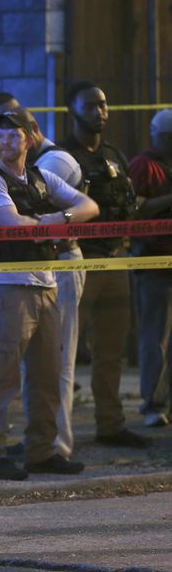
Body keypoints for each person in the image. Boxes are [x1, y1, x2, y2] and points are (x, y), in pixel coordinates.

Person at [0, 111, 98, 480]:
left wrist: (59, 221)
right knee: (2, 374)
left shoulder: (43, 178)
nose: (6, 141)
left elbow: (90, 207)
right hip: (10, 287)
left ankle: (41, 450)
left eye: (14, 135)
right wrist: (54, 224)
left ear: (30, 139)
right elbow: (12, 225)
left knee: (46, 375)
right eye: (1, 135)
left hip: (48, 284)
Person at [58, 81, 151, 449]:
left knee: (111, 350)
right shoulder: (61, 157)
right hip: (79, 260)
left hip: (114, 260)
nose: (101, 112)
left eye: (104, 105)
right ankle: (54, 430)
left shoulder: (114, 155)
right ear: (73, 111)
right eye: (91, 106)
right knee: (62, 352)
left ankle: (110, 424)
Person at [20, 107, 86, 460]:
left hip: (60, 264)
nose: (1, 143)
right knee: (40, 361)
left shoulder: (54, 162)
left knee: (60, 360)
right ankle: (42, 437)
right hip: (42, 266)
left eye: (12, 134)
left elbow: (29, 208)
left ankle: (58, 443)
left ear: (31, 131)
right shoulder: (28, 165)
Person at [130, 109, 172, 428]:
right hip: (154, 261)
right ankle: (153, 404)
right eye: (167, 138)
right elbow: (134, 209)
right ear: (155, 136)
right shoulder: (143, 165)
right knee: (154, 335)